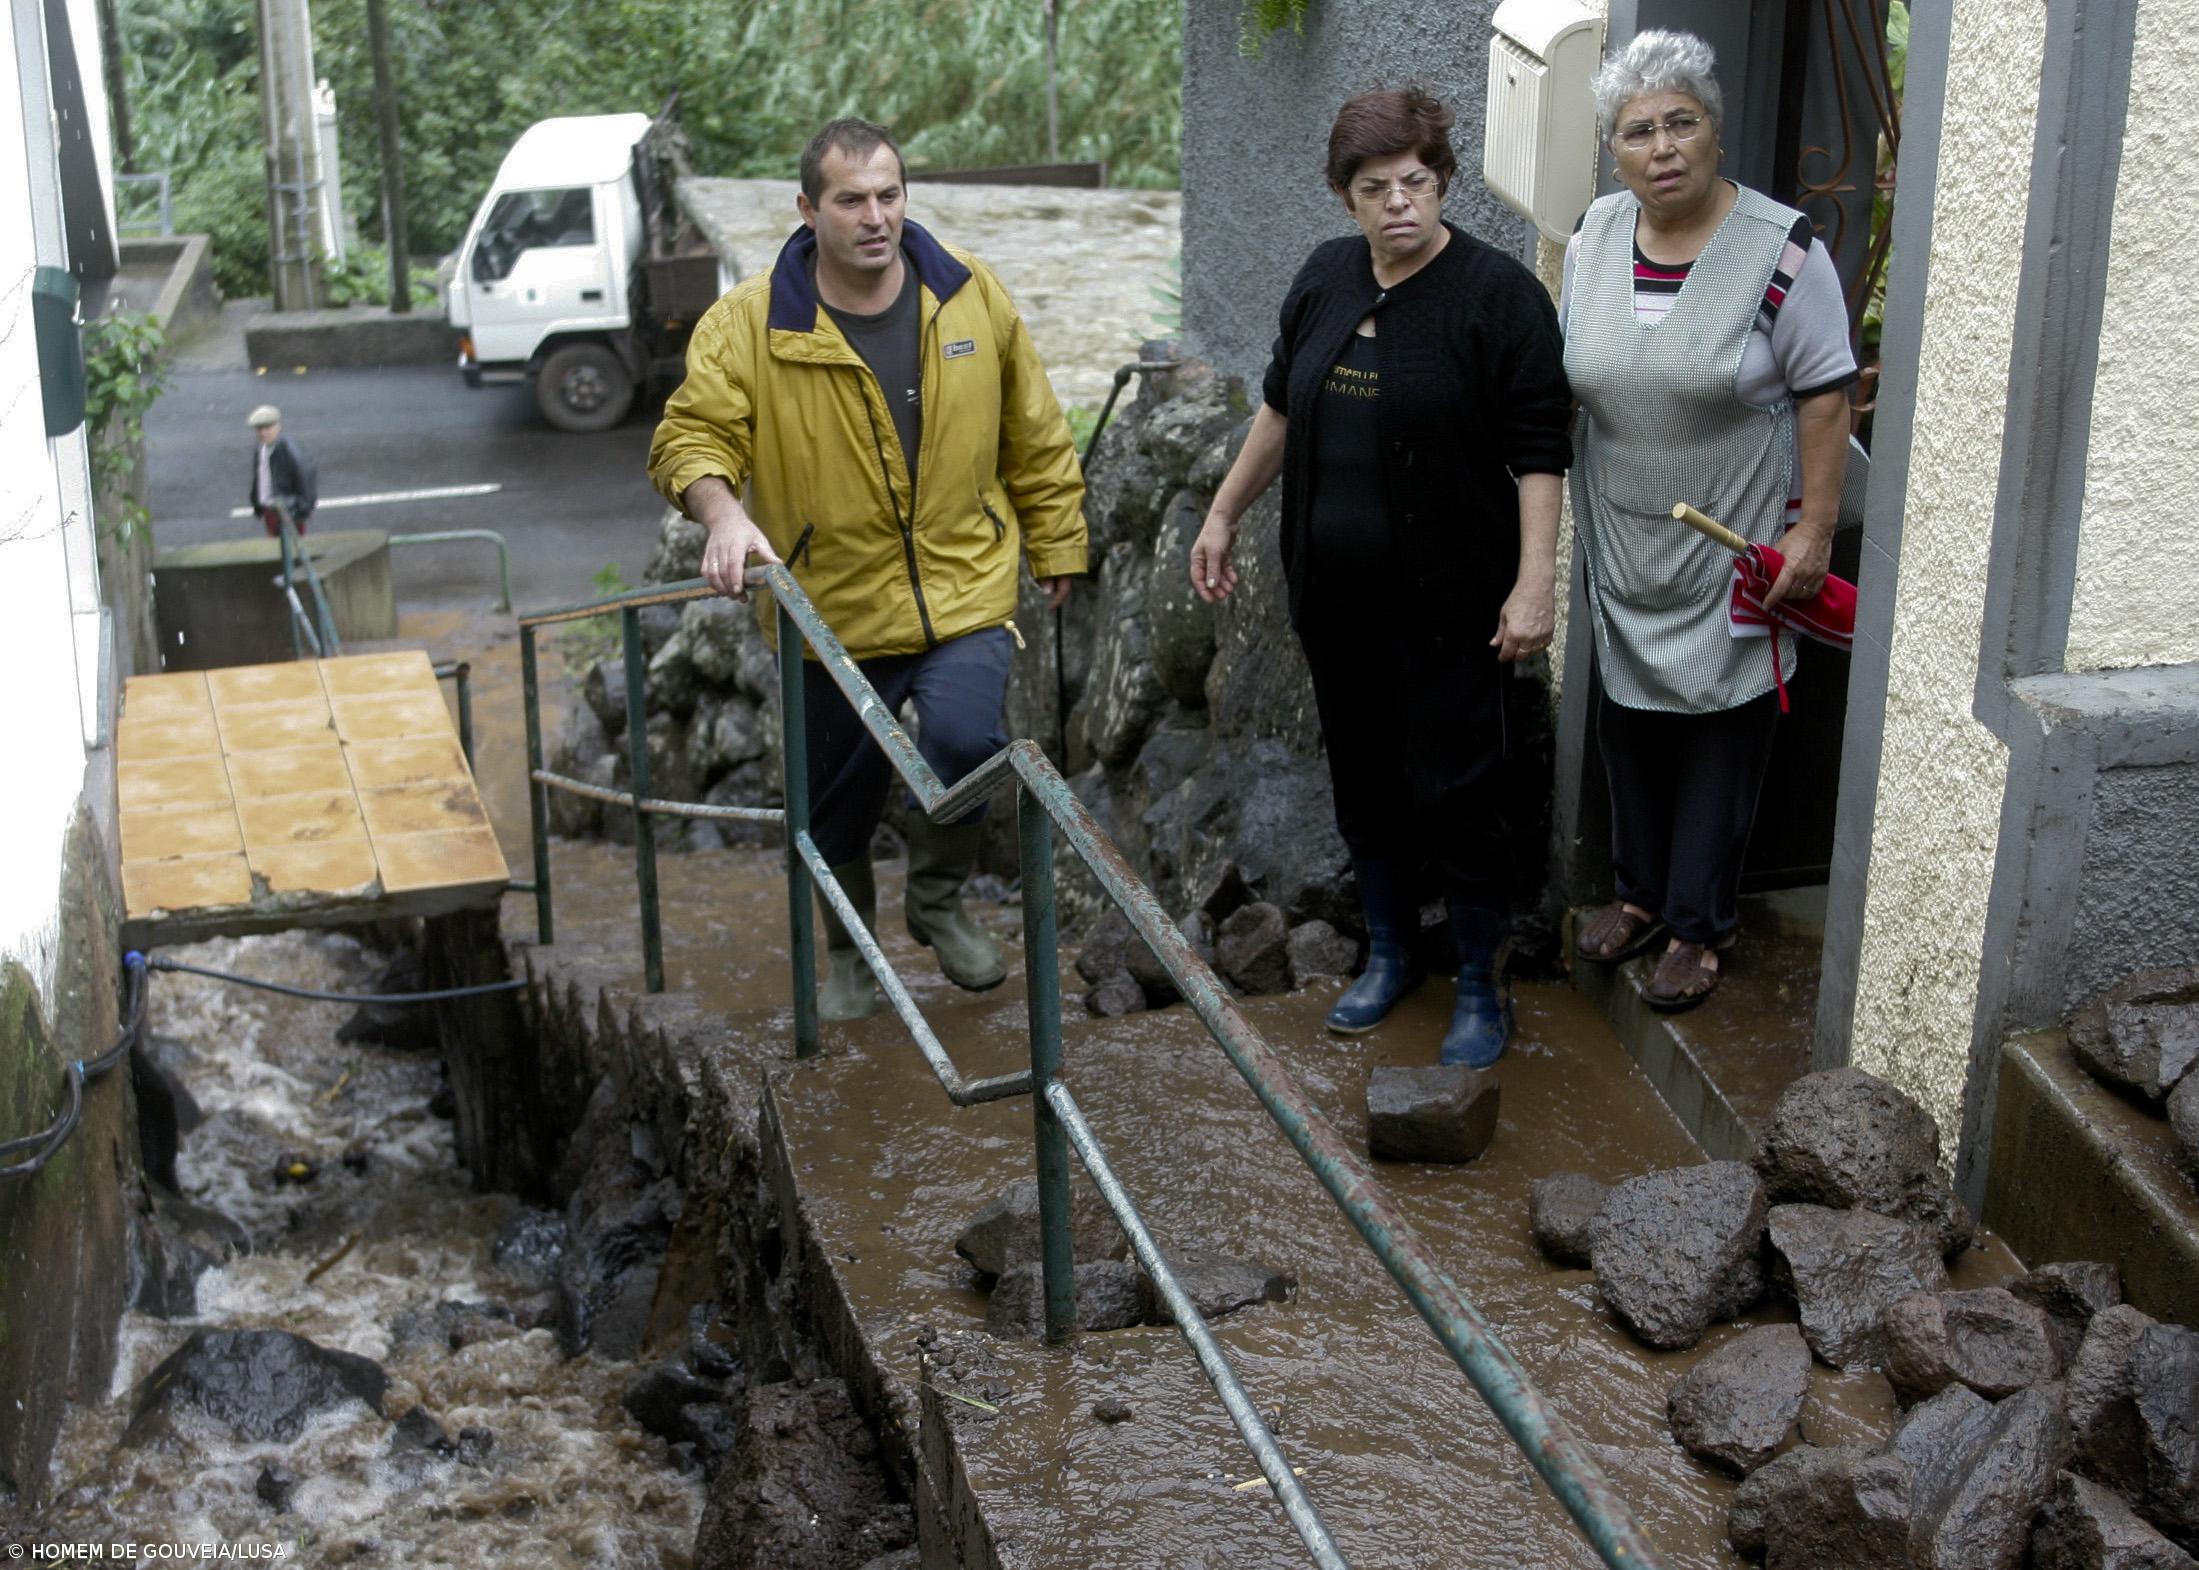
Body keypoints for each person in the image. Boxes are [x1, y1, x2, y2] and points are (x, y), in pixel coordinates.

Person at [649, 118, 1087, 1023]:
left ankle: (937, 899)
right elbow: (690, 436)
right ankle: (850, 947)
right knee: (836, 797)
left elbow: (1034, 431)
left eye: (888, 195)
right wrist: (723, 513)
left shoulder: (968, 294)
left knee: (966, 742)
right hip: (831, 607)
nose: (875, 216)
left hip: (963, 583)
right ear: (808, 209)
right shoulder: (752, 322)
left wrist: (1057, 542)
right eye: (850, 199)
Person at [1190, 88, 1572, 1068]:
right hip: (1335, 599)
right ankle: (1391, 953)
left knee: (1460, 790)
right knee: (1364, 780)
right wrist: (1222, 513)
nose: (1399, 202)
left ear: (1441, 182)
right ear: (1344, 196)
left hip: (1452, 605)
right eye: (1374, 188)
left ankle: (1482, 984)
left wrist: (1535, 585)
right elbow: (1280, 409)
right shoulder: (1325, 277)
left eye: (1415, 181)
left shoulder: (1498, 299)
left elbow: (1540, 451)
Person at [1561, 31, 1859, 1011]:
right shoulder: (1595, 234)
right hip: (1624, 531)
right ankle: (1639, 896)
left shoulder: (1784, 249)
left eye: (1680, 122)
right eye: (1637, 130)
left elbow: (1825, 396)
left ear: (1716, 133)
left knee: (1723, 728)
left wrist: (1814, 532)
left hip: (1736, 538)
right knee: (1630, 718)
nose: (1662, 147)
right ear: (1614, 151)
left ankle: (1699, 925)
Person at [246, 405, 316, 538]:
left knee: (291, 545)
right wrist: (257, 503)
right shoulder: (261, 449)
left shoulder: (290, 451)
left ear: (278, 427)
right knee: (275, 542)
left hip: (287, 510)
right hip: (270, 508)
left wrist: (301, 509)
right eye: (259, 429)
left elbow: (305, 479)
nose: (263, 433)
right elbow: (260, 477)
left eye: (268, 428)